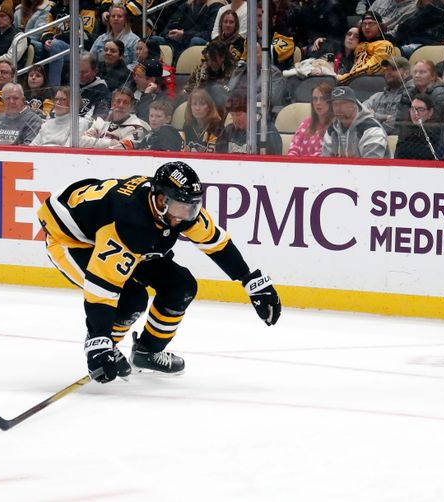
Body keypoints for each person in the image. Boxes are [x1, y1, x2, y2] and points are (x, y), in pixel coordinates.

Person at [35, 161, 281, 383]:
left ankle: (147, 352)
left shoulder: (179, 208)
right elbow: (103, 289)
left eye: (192, 208)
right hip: (72, 239)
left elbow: (216, 244)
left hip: (117, 231)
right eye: (181, 208)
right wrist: (100, 342)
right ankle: (107, 345)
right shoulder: (129, 221)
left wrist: (251, 281)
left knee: (180, 286)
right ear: (161, 200)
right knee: (131, 299)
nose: (187, 216)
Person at [322, 85, 390, 158]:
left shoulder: (372, 129)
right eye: (335, 104)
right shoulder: (332, 130)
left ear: (354, 104)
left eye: (343, 103)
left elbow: (372, 166)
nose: (338, 108)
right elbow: (326, 161)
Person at [80, 86, 150, 148]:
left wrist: (96, 142)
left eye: (125, 102)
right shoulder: (100, 121)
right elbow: (82, 142)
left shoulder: (138, 127)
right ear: (112, 103)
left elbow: (121, 148)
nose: (121, 105)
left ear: (131, 106)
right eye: (118, 101)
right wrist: (110, 143)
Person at [216, 91, 283, 154]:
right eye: (232, 115)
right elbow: (219, 158)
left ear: (251, 112)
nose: (235, 119)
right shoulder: (227, 132)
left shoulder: (267, 132)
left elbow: (272, 161)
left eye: (238, 114)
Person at [361, 57, 410, 135]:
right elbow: (360, 113)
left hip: (397, 142)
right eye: (387, 69)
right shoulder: (378, 96)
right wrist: (385, 117)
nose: (388, 72)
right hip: (372, 138)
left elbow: (393, 125)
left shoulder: (409, 96)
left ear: (406, 73)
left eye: (393, 69)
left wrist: (373, 116)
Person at [288, 82, 333, 156]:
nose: (318, 103)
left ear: (330, 102)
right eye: (315, 99)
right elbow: (294, 148)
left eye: (322, 99)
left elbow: (325, 154)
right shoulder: (306, 122)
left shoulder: (335, 127)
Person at [394, 94, 442, 159]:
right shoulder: (405, 133)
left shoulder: (437, 134)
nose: (415, 113)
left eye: (420, 109)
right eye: (413, 109)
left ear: (430, 112)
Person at [181, 87, 222, 152]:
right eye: (194, 104)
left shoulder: (217, 126)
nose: (197, 108)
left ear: (209, 107)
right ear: (190, 107)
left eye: (202, 104)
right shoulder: (187, 125)